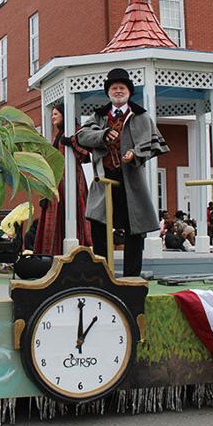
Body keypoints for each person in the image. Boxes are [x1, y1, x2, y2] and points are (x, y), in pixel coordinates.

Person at [75, 68, 168, 276]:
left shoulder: (141, 116)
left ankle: (131, 278)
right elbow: (81, 137)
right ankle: (103, 275)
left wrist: (135, 154)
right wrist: (103, 134)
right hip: (104, 180)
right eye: (114, 88)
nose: (118, 91)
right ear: (108, 92)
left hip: (131, 182)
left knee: (135, 230)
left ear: (129, 91)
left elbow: (154, 144)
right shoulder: (98, 116)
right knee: (99, 227)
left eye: (122, 88)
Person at [33, 103, 92, 255]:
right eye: (52, 114)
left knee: (74, 213)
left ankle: (76, 252)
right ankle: (52, 253)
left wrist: (72, 142)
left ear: (64, 115)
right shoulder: (57, 135)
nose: (53, 117)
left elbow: (85, 155)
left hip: (72, 178)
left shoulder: (75, 131)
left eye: (55, 114)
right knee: (54, 216)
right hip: (57, 180)